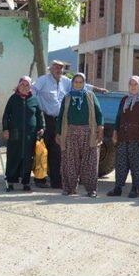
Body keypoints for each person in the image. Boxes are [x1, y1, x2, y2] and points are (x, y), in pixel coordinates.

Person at [32, 60, 107, 189]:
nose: (58, 69)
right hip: (46, 119)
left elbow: (81, 85)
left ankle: (57, 182)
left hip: (61, 121)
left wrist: (98, 89)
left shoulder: (65, 81)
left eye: (60, 68)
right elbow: (33, 91)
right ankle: (40, 179)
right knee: (42, 151)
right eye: (56, 67)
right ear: (51, 68)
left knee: (57, 152)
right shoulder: (43, 80)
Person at [56, 73, 104, 197]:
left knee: (90, 163)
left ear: (84, 83)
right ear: (72, 83)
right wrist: (58, 133)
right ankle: (69, 188)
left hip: (88, 133)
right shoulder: (67, 97)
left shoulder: (90, 96)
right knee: (69, 161)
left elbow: (98, 113)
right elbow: (61, 116)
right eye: (76, 82)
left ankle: (91, 189)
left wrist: (100, 127)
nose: (78, 84)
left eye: (80, 82)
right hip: (70, 134)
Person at [107, 75, 139, 198]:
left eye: (135, 84)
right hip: (123, 136)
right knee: (121, 163)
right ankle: (118, 188)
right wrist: (115, 132)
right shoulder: (124, 100)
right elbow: (118, 117)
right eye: (131, 84)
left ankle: (135, 188)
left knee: (137, 164)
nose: (133, 87)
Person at [2, 76, 45, 192]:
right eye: (22, 85)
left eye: (27, 85)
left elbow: (39, 115)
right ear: (18, 86)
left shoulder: (34, 99)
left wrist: (42, 128)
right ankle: (10, 182)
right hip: (15, 133)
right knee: (13, 156)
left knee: (27, 158)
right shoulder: (13, 98)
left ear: (30, 87)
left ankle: (26, 182)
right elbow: (6, 115)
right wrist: (5, 129)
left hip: (30, 135)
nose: (25, 87)